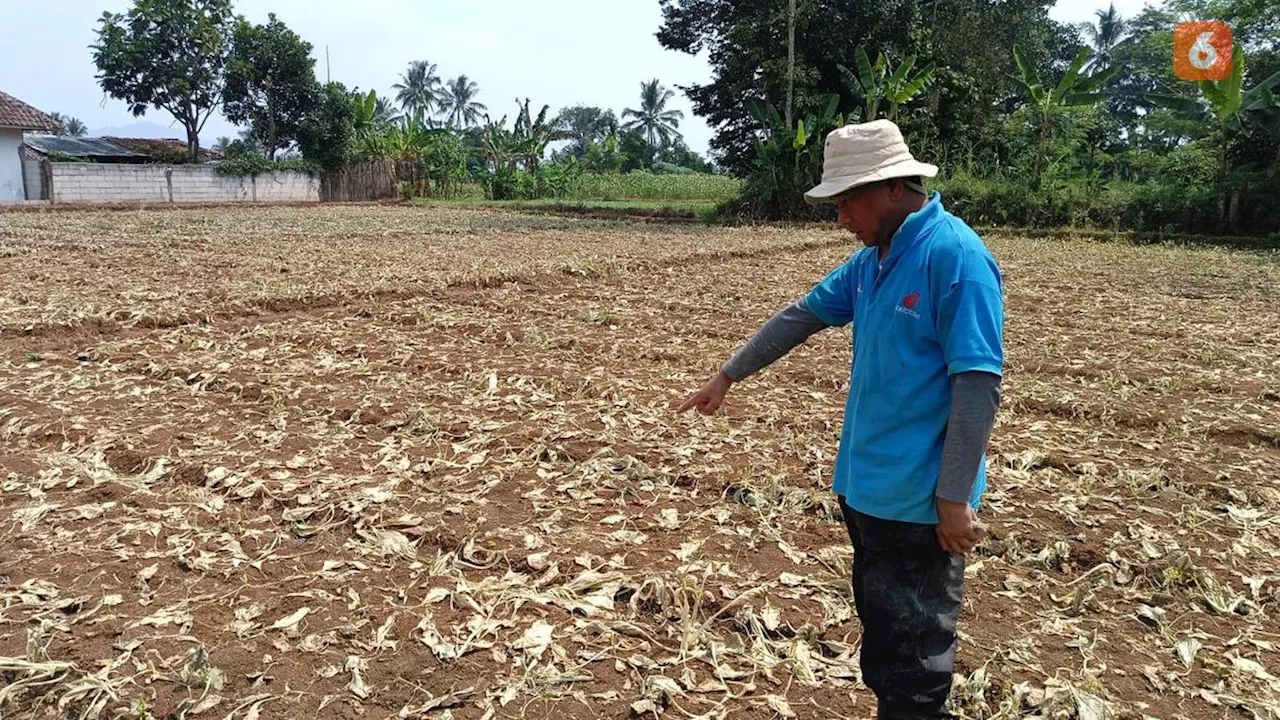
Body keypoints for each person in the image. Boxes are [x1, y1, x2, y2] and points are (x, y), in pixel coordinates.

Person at [676, 119, 1004, 720]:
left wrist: (954, 498)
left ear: (894, 188)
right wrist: (727, 376)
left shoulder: (954, 257)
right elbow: (801, 316)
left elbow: (977, 384)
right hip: (867, 490)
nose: (841, 216)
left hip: (919, 502)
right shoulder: (873, 262)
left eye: (848, 200)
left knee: (917, 658)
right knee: (886, 639)